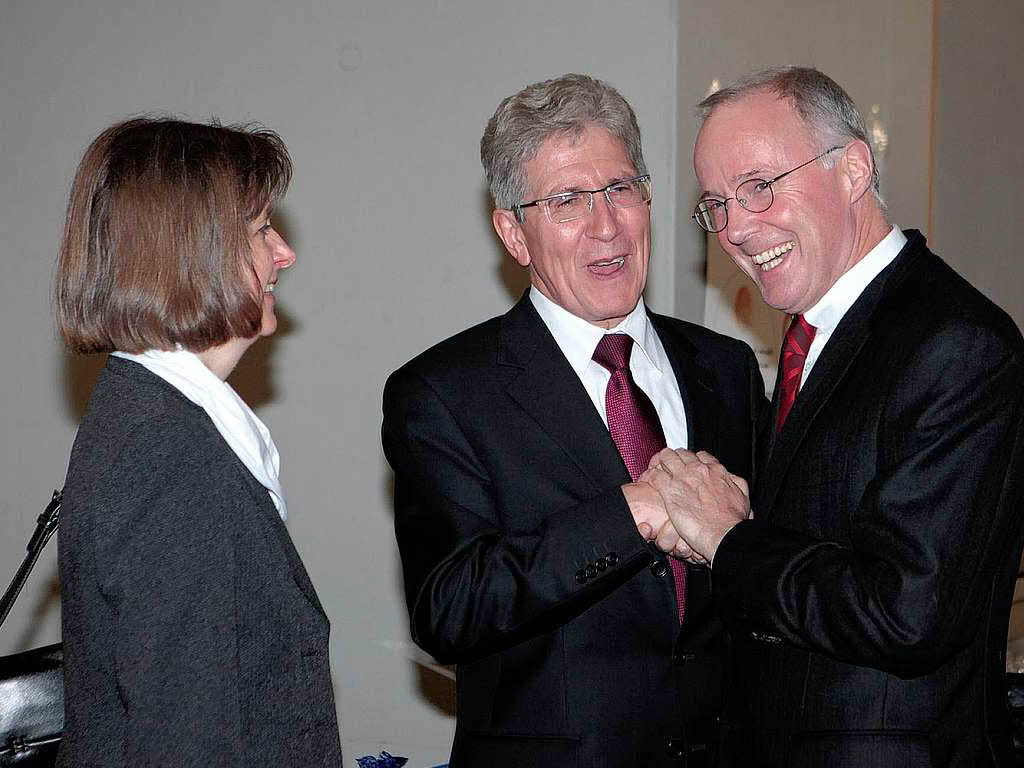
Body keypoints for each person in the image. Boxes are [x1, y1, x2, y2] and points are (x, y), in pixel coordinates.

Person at [645, 66, 1024, 766]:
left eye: (759, 186)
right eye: (717, 204)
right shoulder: (809, 339)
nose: (736, 229)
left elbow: (907, 613)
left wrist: (732, 541)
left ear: (852, 168)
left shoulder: (955, 344)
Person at [382, 73, 763, 767]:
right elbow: (451, 609)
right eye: (566, 201)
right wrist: (635, 510)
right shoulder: (444, 394)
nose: (606, 225)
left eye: (621, 188)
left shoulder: (727, 368)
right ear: (513, 233)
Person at [54, 118, 342, 767]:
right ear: (195, 251)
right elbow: (188, 738)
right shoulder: (169, 450)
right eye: (262, 230)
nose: (285, 253)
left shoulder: (150, 416)